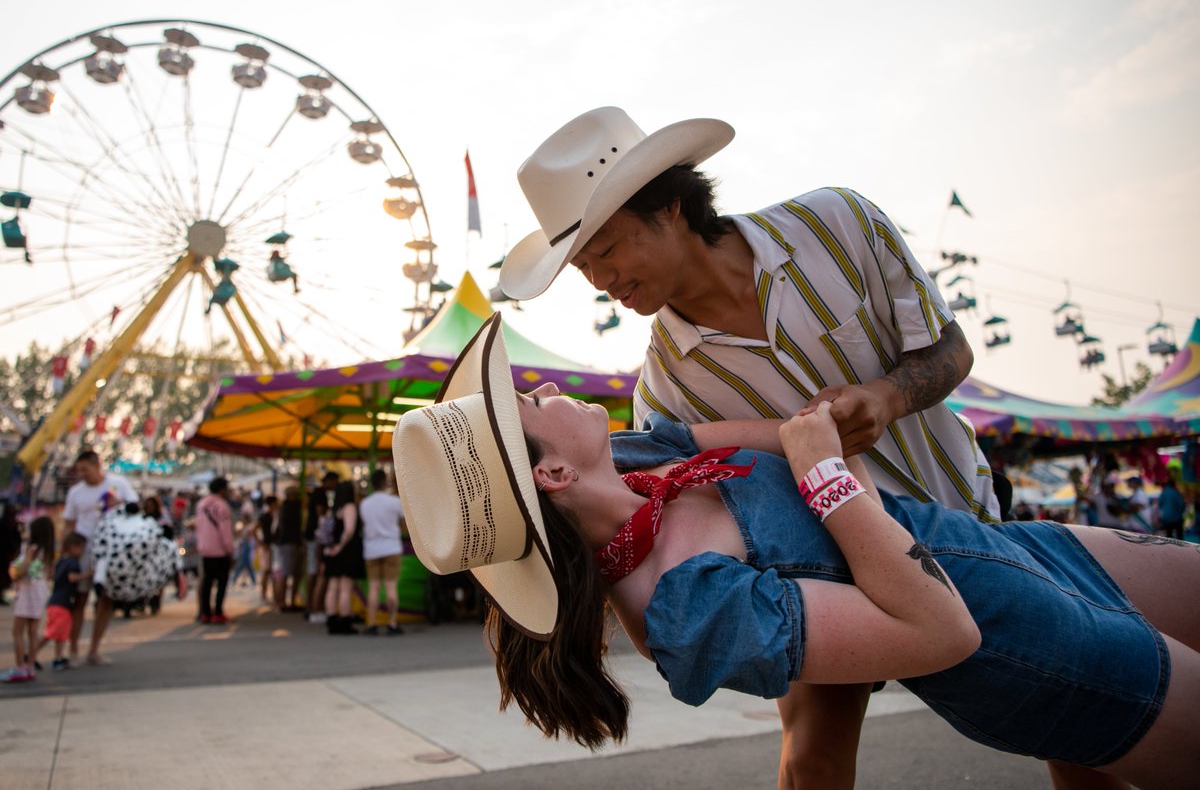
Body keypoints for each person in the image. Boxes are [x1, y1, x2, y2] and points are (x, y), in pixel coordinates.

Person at [395, 316, 1200, 790]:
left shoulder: (641, 457)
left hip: (1015, 543)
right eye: (528, 406)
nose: (541, 390)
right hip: (1025, 643)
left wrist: (829, 445)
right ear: (553, 472)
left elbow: (800, 432)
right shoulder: (686, 612)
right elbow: (941, 634)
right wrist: (828, 479)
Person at [497, 106, 1005, 785]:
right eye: (583, 265)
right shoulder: (665, 390)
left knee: (1080, 710)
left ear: (670, 205)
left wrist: (889, 396)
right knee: (813, 755)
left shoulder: (839, 225)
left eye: (608, 249)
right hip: (830, 576)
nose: (599, 279)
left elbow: (951, 348)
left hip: (960, 504)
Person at [62, 450, 138, 665]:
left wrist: (119, 502)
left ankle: (94, 650)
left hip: (111, 551)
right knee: (79, 599)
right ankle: (73, 649)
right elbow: (68, 524)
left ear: (97, 466)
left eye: (85, 469)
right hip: (84, 550)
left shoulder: (118, 484)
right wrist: (64, 555)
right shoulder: (76, 493)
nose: (82, 474)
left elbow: (136, 507)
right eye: (79, 470)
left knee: (106, 599)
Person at [2, 515, 55, 682]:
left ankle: (20, 667)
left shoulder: (31, 550)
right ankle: (30, 666)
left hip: (27, 592)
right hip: (40, 592)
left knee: (17, 631)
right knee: (33, 632)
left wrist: (25, 561)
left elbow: (23, 571)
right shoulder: (48, 552)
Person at [358, 468, 405, 635]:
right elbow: (402, 523)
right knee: (391, 587)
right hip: (391, 547)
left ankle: (371, 624)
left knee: (374, 588)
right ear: (385, 482)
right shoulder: (394, 502)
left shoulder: (364, 504)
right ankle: (392, 623)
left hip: (371, 549)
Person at [37, 531, 86, 671]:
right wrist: (88, 574)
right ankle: (32, 653)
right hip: (61, 603)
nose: (82, 551)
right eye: (81, 548)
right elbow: (72, 578)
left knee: (61, 634)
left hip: (56, 602)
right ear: (72, 547)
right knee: (52, 633)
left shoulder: (62, 561)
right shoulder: (72, 562)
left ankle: (58, 658)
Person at [323, 481, 365, 634]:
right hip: (346, 551)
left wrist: (334, 548)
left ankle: (331, 618)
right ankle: (345, 620)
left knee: (332, 586)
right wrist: (340, 547)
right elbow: (349, 530)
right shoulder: (350, 507)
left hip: (332, 549)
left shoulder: (333, 509)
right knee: (346, 588)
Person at [195, 476, 234, 624]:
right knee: (221, 582)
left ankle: (205, 612)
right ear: (222, 489)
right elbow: (225, 530)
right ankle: (217, 611)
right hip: (220, 550)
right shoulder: (221, 506)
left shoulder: (201, 505)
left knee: (207, 582)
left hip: (205, 549)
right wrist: (229, 548)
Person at [304, 472, 338, 622]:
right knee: (318, 573)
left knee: (316, 573)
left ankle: (311, 607)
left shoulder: (317, 493)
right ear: (329, 481)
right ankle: (313, 608)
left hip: (314, 536)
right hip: (317, 538)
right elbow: (320, 515)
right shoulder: (320, 494)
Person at [273, 485, 303, 612]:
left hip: (285, 543)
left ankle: (283, 602)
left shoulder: (283, 507)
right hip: (290, 543)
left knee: (287, 573)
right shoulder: (292, 507)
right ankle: (284, 602)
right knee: (288, 573)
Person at [257, 495, 277, 602]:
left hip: (271, 545)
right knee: (266, 570)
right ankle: (264, 594)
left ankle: (268, 594)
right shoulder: (265, 516)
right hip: (267, 545)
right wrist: (260, 543)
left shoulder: (274, 515)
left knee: (271, 571)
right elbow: (254, 529)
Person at [231, 511, 257, 587]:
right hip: (244, 545)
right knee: (246, 565)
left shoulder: (249, 527)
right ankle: (252, 580)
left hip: (246, 546)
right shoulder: (244, 527)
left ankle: (235, 579)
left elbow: (246, 536)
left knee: (242, 564)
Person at [1157, 477, 1186, 541]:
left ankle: (1169, 549)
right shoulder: (1176, 492)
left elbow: (1160, 504)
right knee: (1179, 537)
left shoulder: (1164, 492)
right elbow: (1181, 504)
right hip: (1176, 517)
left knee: (1168, 536)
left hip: (1166, 518)